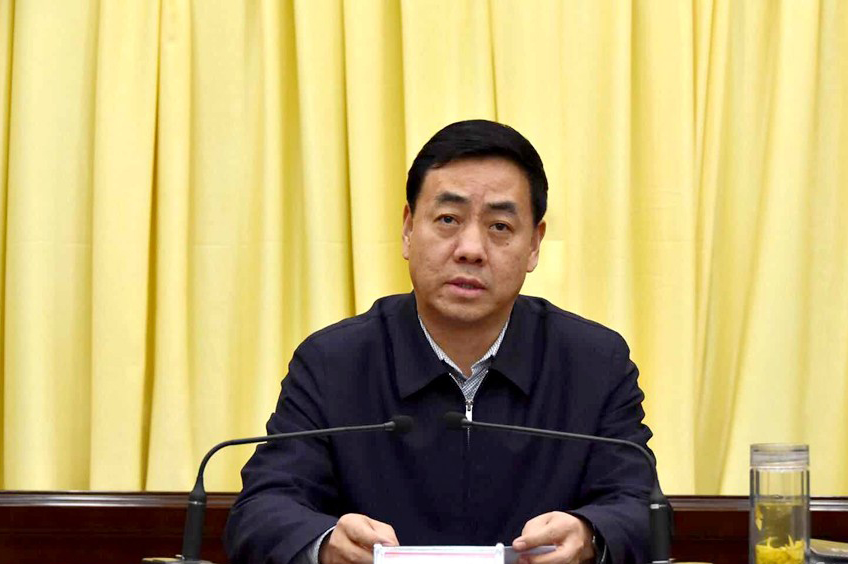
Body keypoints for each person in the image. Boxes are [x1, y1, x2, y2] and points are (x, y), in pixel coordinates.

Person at [224, 120, 655, 564]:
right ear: (409, 229)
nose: (471, 249)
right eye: (448, 219)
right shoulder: (334, 363)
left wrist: (589, 534)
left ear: (534, 245)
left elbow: (641, 508)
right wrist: (327, 542)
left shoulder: (593, 364)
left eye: (500, 226)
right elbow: (263, 508)